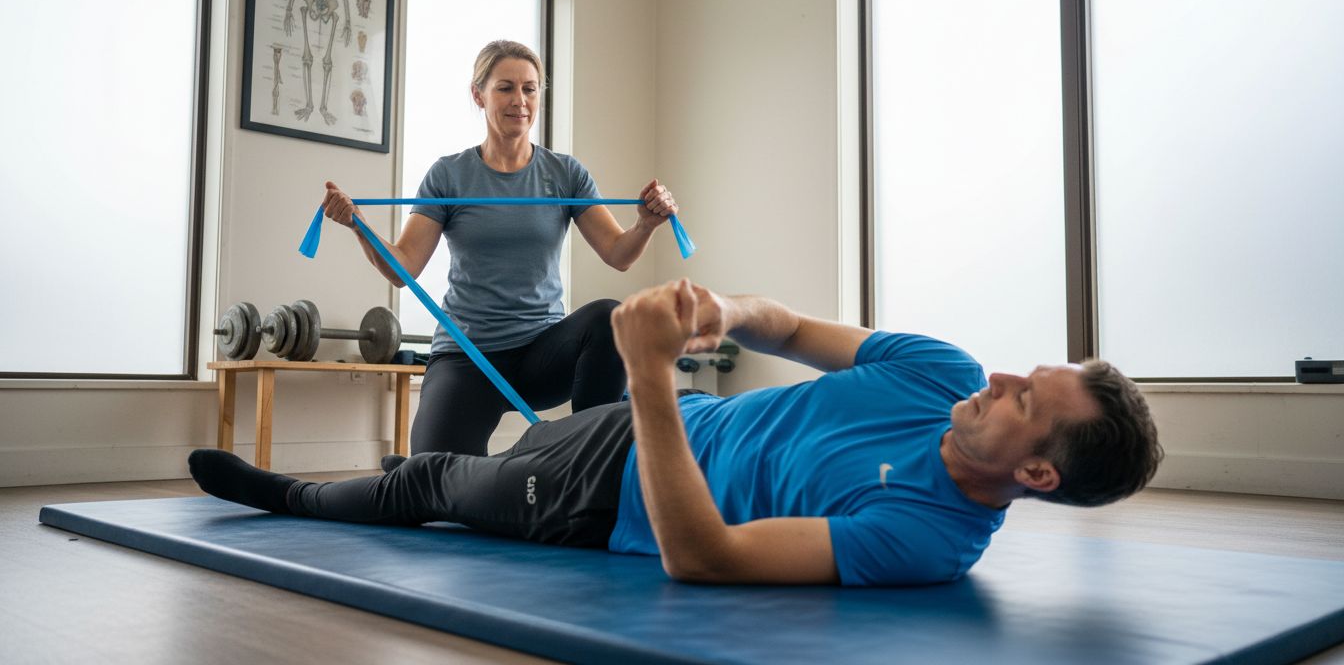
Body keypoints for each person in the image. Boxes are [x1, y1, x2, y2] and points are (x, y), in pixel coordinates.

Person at [189, 278, 1164, 587]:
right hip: (651, 423)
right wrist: (716, 310)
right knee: (511, 449)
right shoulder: (941, 371)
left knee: (433, 484)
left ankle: (284, 493)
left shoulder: (929, 538)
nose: (997, 378)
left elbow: (706, 555)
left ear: (1035, 470)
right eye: (1021, 370)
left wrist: (653, 371)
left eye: (1024, 398)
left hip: (619, 498)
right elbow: (781, 326)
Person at [323, 40, 679, 457]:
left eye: (530, 89)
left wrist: (645, 224)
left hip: (539, 357)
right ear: (479, 95)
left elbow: (618, 254)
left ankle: (590, 457)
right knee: (434, 477)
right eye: (505, 88)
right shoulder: (448, 175)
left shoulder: (565, 174)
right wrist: (358, 225)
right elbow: (404, 268)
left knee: (610, 318)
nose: (520, 101)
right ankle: (421, 472)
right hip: (468, 355)